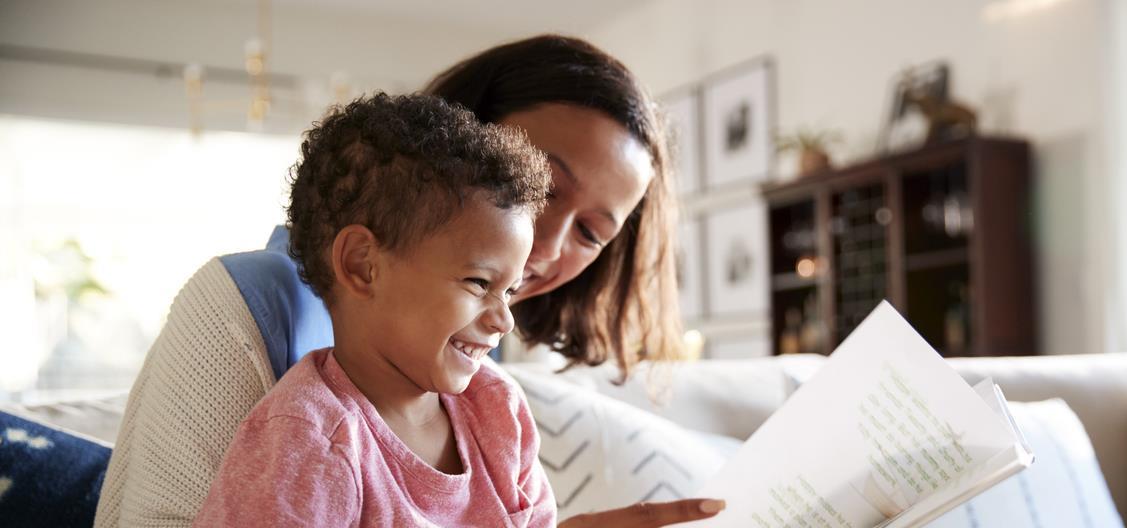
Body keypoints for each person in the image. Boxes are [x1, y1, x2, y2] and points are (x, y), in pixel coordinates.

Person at [97, 35, 725, 527]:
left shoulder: (478, 387)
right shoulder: (253, 325)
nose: (545, 241)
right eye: (542, 183)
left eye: (591, 232)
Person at [195, 93, 555, 525]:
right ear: (362, 265)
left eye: (510, 290)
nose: (504, 319)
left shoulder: (497, 408)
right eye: (479, 283)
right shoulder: (310, 442)